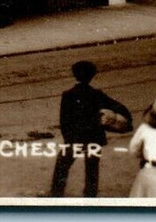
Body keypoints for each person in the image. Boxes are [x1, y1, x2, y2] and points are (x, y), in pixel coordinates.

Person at [50, 60, 131, 197]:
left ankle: (56, 194)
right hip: (94, 137)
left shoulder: (68, 95)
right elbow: (120, 108)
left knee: (62, 166)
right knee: (92, 169)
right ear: (92, 76)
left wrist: (68, 140)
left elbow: (64, 121)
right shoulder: (96, 94)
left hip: (74, 138)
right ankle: (90, 196)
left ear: (74, 74)